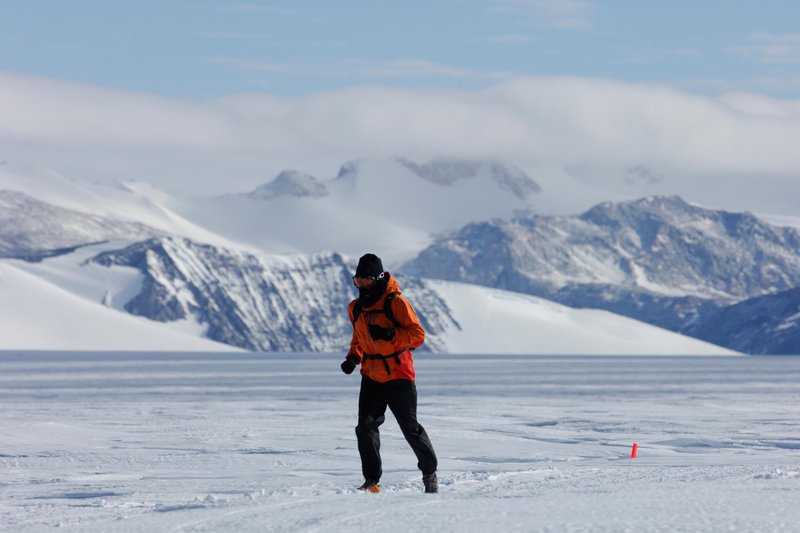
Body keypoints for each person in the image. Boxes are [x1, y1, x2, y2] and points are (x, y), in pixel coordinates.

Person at [340, 253, 439, 494]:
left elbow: (418, 335)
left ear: (379, 278)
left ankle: (429, 472)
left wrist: (390, 337)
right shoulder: (355, 308)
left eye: (366, 281)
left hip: (399, 375)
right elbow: (360, 338)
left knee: (410, 428)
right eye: (357, 281)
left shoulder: (396, 303)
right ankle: (371, 481)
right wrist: (353, 357)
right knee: (365, 427)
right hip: (371, 374)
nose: (362, 286)